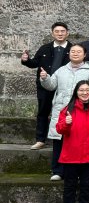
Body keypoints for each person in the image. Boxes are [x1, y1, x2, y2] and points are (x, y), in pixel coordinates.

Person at [40, 44, 89, 181]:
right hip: (61, 108)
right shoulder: (61, 70)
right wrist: (45, 78)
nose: (75, 54)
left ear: (84, 55)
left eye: (79, 52)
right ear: (69, 54)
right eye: (73, 51)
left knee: (76, 141)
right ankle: (57, 170)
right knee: (59, 141)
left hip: (81, 111)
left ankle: (75, 172)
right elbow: (51, 85)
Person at [21, 22, 72, 150]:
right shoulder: (45, 48)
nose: (60, 34)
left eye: (62, 31)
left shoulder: (73, 49)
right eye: (57, 31)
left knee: (65, 112)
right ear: (52, 33)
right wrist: (26, 60)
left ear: (67, 33)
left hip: (64, 86)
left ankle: (64, 140)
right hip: (44, 86)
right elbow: (34, 63)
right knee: (43, 112)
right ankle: (40, 140)